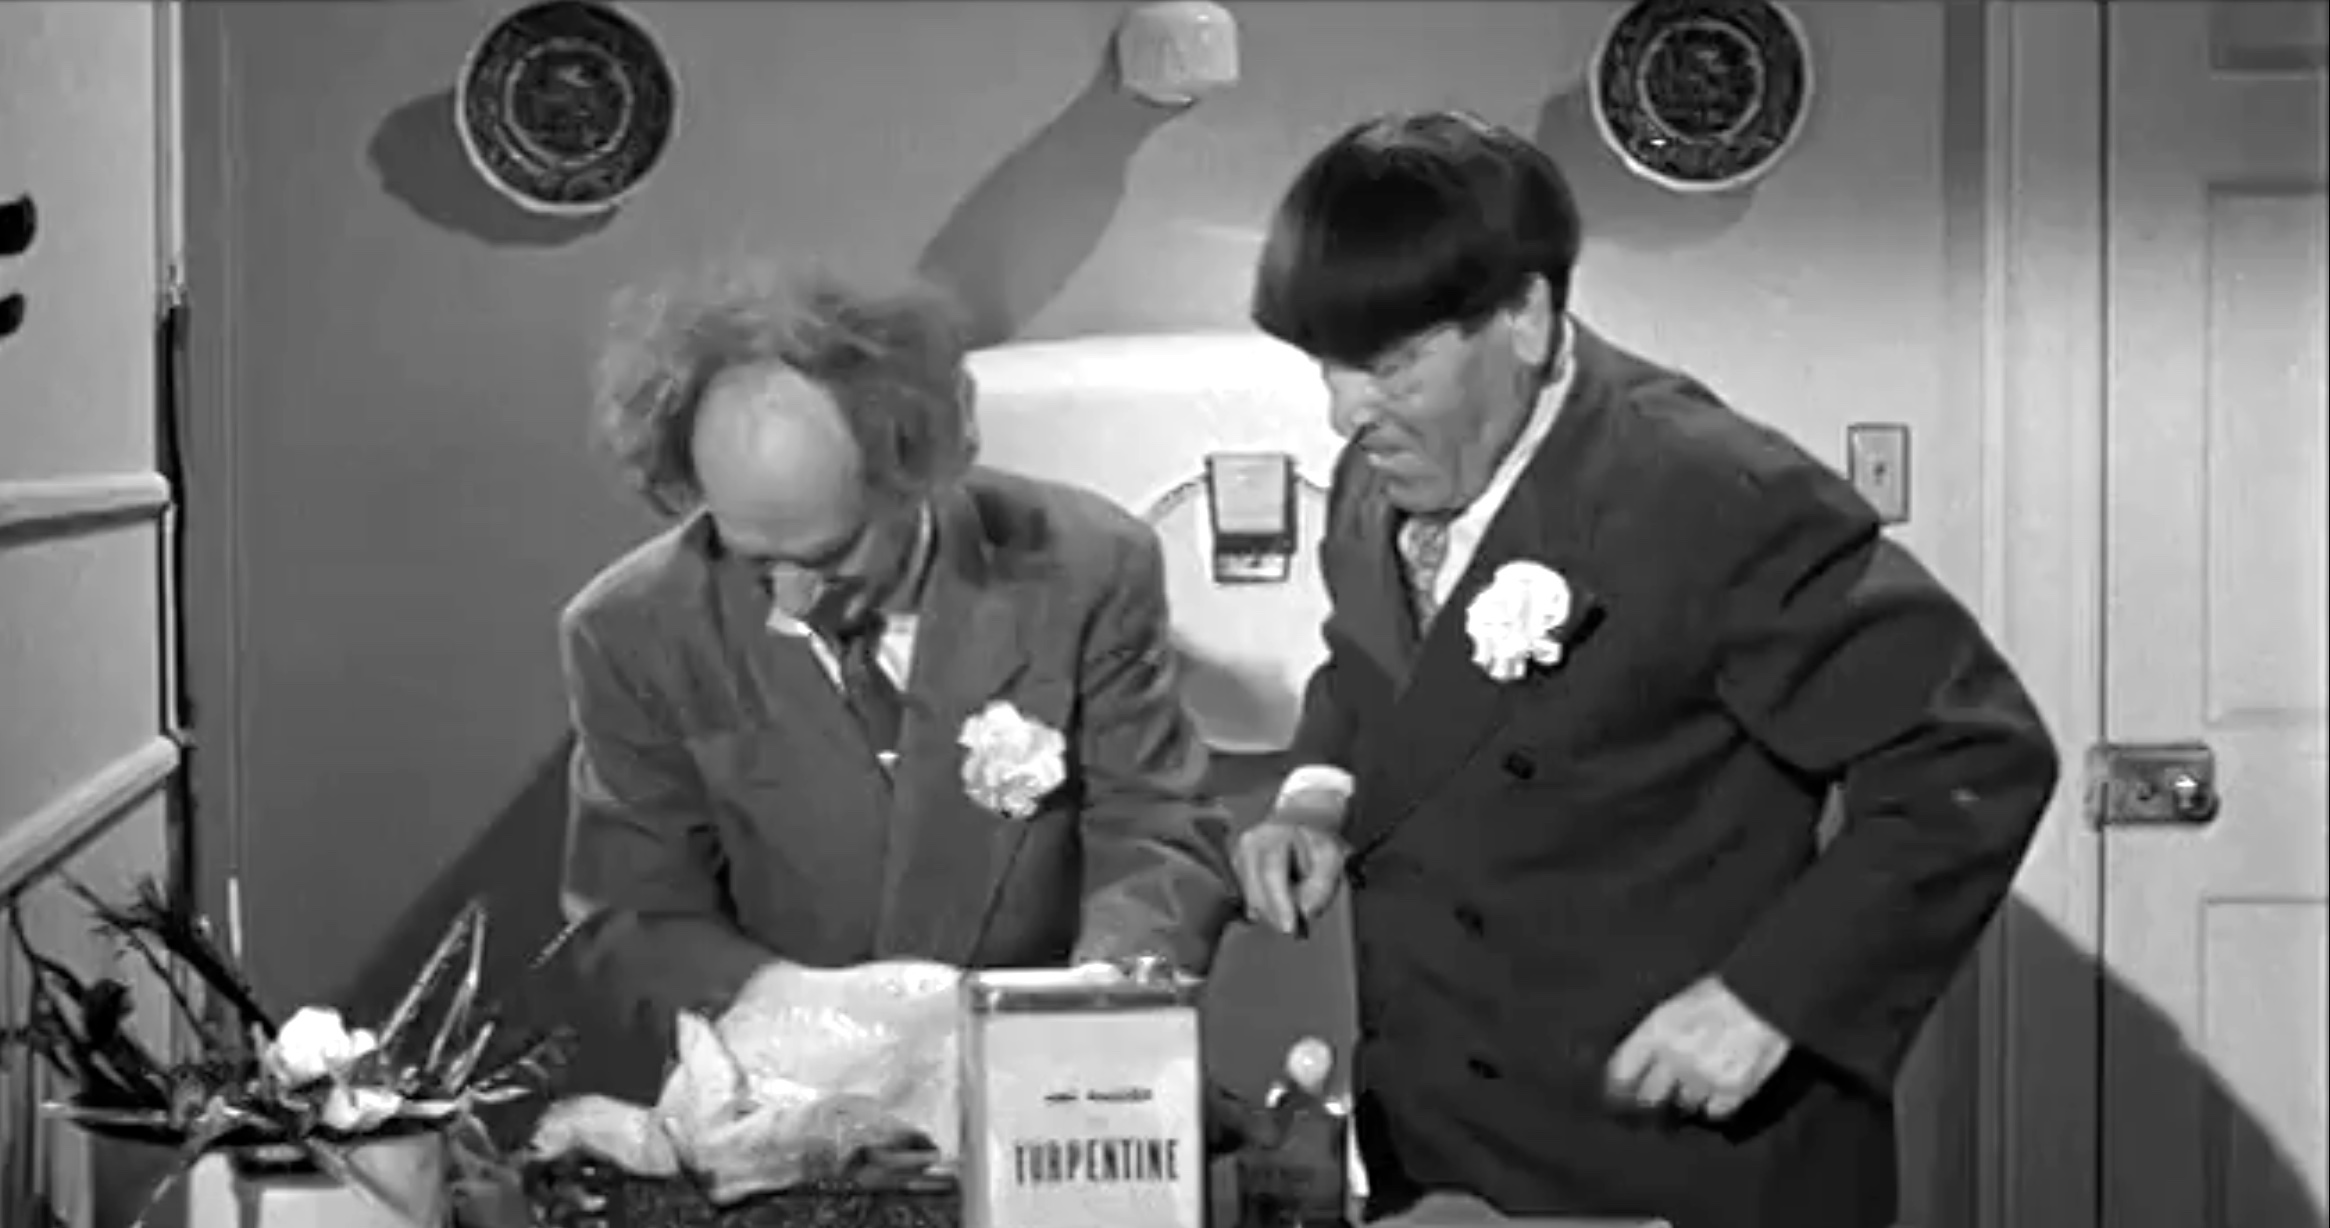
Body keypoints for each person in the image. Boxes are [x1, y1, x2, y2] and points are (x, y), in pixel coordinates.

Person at [1231, 111, 2059, 1228]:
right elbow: (1369, 669)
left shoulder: (1707, 491)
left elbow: (1970, 751)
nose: (1344, 413)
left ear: (1524, 318)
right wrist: (1313, 798)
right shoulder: (1378, 479)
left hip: (1674, 1158)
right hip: (1445, 1151)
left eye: (1388, 364)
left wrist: (1770, 1002)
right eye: (1325, 366)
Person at [558, 263, 1239, 1034]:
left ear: (917, 471)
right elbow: (634, 913)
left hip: (1044, 1059)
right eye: (755, 561)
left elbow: (1155, 824)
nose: (792, 597)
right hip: (784, 1074)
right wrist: (796, 1009)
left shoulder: (1086, 566)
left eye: (830, 555)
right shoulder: (631, 631)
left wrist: (1102, 998)